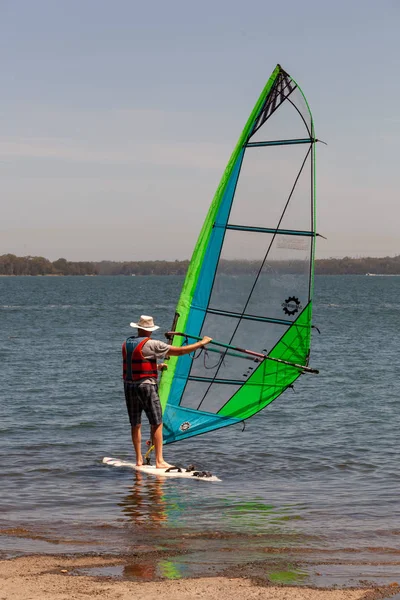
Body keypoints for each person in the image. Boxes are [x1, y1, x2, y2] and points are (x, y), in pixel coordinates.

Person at [122, 315, 212, 468]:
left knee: (135, 423)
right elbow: (180, 351)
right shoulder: (153, 344)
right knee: (156, 422)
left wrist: (157, 367)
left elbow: (135, 363)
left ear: (138, 328)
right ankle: (159, 461)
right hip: (146, 387)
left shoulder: (127, 343)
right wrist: (201, 343)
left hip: (129, 386)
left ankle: (138, 460)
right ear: (150, 331)